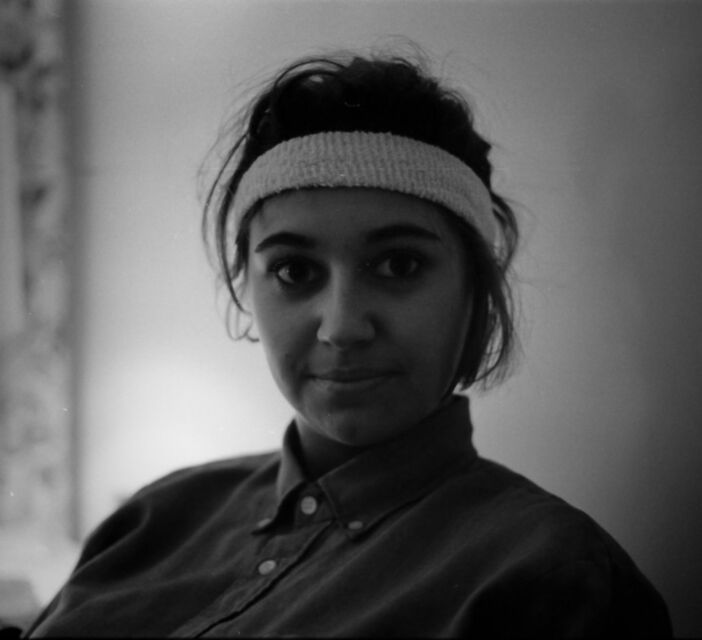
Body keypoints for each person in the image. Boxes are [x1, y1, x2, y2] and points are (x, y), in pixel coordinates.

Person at [24, 50, 672, 638]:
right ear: (246, 286)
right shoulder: (156, 515)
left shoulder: (550, 579)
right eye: (294, 271)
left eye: (399, 266)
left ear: (475, 290)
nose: (341, 326)